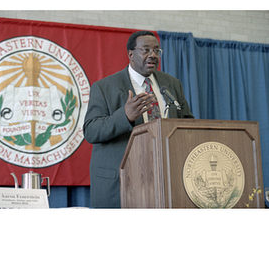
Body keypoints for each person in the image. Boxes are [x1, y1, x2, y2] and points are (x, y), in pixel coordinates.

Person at [83, 30, 194, 208]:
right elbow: (91, 130)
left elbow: (187, 123)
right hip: (121, 182)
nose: (153, 55)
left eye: (157, 51)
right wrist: (124, 116)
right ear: (131, 54)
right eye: (146, 50)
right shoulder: (104, 87)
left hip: (165, 178)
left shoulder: (172, 84)